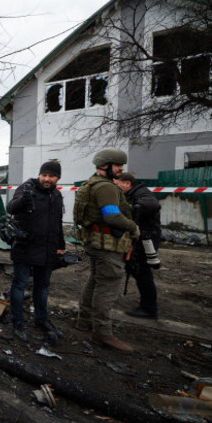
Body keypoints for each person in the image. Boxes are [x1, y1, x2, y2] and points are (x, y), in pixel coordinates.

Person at [73, 149, 140, 352]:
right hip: (106, 245)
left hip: (95, 242)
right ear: (105, 165)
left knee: (96, 279)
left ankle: (84, 320)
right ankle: (102, 332)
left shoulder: (91, 183)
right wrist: (133, 227)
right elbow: (111, 216)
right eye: (118, 165)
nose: (121, 168)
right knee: (108, 285)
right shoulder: (106, 188)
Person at [6, 161, 65, 342]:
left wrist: (61, 246)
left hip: (47, 249)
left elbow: (57, 223)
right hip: (25, 247)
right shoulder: (27, 188)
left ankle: (41, 320)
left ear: (57, 178)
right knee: (20, 285)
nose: (47, 179)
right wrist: (23, 200)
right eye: (44, 175)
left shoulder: (56, 195)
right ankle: (18, 322)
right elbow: (10, 208)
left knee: (42, 287)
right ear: (40, 174)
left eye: (51, 176)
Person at [114, 173, 161, 319]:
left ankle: (149, 309)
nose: (116, 189)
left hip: (146, 239)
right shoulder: (135, 193)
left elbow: (152, 204)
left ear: (127, 184)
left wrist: (133, 210)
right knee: (135, 269)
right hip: (141, 238)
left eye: (117, 185)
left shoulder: (141, 194)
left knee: (142, 272)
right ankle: (147, 303)